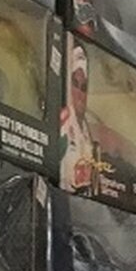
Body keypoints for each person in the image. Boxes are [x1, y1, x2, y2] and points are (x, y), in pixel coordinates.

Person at [59, 43, 98, 189]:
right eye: (75, 84)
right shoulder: (63, 121)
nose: (80, 95)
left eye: (84, 87)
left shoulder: (87, 132)